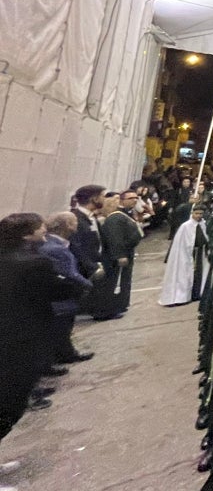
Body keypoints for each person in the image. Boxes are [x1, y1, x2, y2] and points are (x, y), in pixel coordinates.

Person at [0, 214, 81, 443]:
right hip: (24, 334)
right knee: (13, 401)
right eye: (40, 227)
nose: (45, 229)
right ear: (27, 235)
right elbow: (58, 290)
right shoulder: (34, 263)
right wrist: (76, 286)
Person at [39, 212, 94, 364]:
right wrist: (87, 284)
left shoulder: (55, 244)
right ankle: (63, 355)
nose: (77, 224)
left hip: (61, 294)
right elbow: (69, 273)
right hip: (62, 296)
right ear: (67, 226)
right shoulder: (55, 249)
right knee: (62, 327)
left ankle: (66, 353)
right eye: (74, 221)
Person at [93, 189, 144, 320]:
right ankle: (107, 310)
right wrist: (120, 255)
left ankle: (118, 305)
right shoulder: (115, 218)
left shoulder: (124, 215)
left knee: (121, 281)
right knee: (113, 283)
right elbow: (116, 238)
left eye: (135, 198)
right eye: (130, 198)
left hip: (127, 251)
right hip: (117, 256)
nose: (134, 200)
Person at [160, 205, 208, 306]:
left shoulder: (204, 224)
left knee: (199, 275)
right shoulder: (185, 226)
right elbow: (181, 243)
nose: (198, 216)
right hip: (187, 255)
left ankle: (197, 293)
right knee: (185, 274)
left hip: (200, 253)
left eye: (201, 214)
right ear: (192, 213)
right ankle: (182, 296)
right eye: (196, 213)